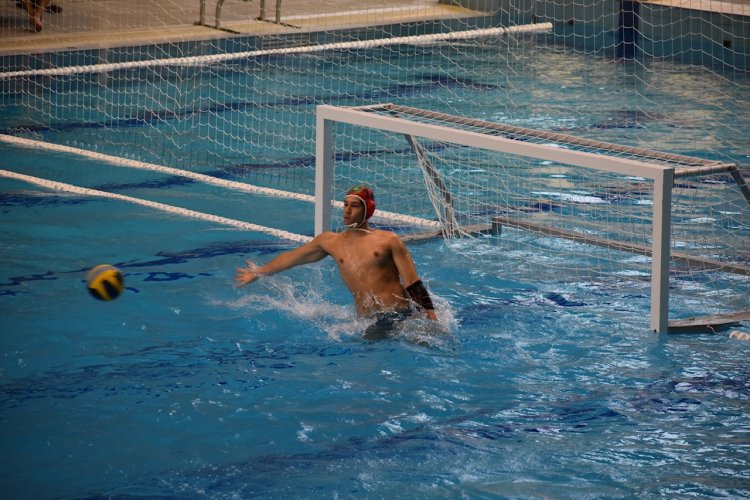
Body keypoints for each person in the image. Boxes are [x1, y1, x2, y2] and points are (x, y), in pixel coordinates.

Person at [235, 185, 438, 336]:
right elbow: (292, 258)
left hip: (398, 313)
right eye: (345, 205)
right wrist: (259, 271)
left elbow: (412, 281)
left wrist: (431, 316)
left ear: (367, 210)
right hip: (366, 319)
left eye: (354, 206)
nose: (347, 211)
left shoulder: (388, 240)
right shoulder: (331, 242)